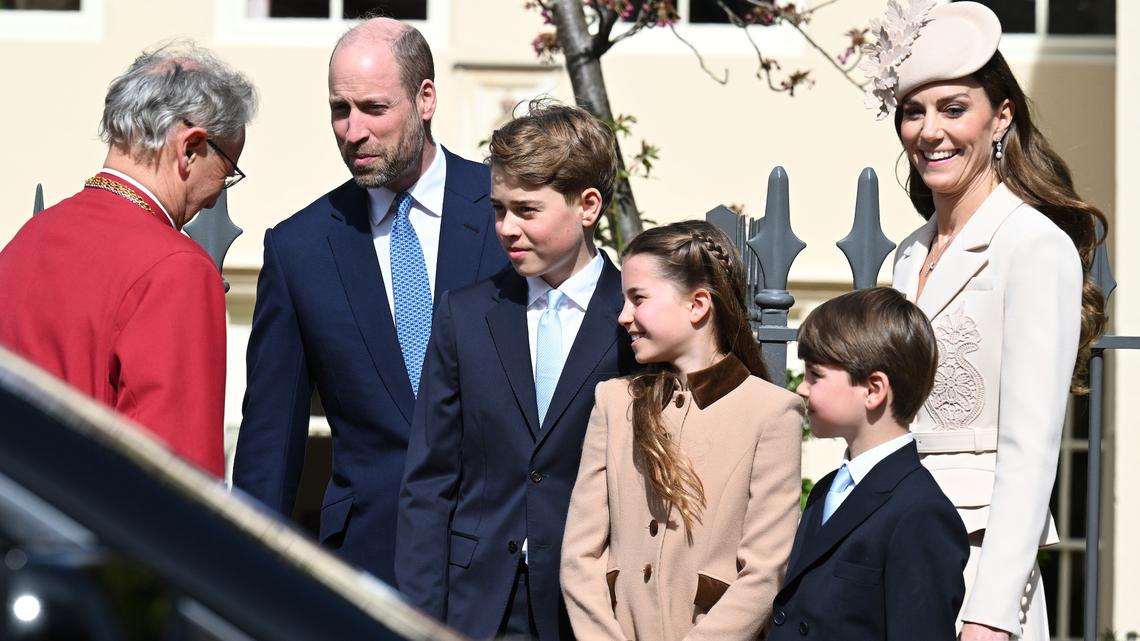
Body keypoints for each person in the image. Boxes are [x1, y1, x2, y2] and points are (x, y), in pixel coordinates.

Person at [862, 2, 1109, 638]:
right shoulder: (906, 254)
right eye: (913, 111)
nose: (929, 130)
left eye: (953, 108)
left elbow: (1031, 450)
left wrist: (991, 616)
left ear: (1000, 117)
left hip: (977, 571)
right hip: (893, 552)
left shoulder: (1033, 244)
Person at [231, 18, 506, 584]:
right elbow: (271, 439)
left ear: (425, 98)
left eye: (375, 108)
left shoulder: (509, 215)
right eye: (339, 109)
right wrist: (247, 578)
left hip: (504, 567)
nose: (353, 131)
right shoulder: (300, 248)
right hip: (368, 563)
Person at [395, 100, 636, 641]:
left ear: (588, 206)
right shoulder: (465, 313)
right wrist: (417, 617)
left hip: (595, 606)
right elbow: (430, 478)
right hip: (478, 606)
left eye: (527, 211)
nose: (506, 227)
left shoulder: (634, 320)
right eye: (498, 208)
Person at [0, 43, 256, 478]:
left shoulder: (25, 242)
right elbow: (177, 480)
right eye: (229, 167)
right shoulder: (178, 269)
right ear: (191, 148)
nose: (220, 190)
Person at [560, 219, 803, 641]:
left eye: (638, 299)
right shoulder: (615, 403)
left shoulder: (772, 413)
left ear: (697, 305)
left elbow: (765, 570)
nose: (623, 316)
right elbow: (579, 555)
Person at [770, 287, 969, 641]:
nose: (802, 388)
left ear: (873, 389)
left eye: (815, 375)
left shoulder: (921, 513)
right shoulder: (824, 491)